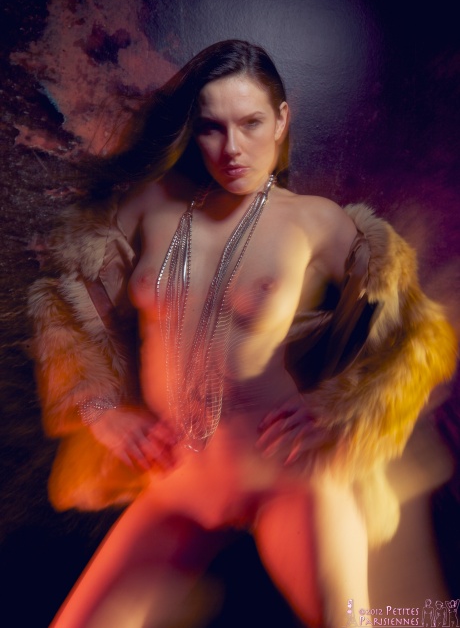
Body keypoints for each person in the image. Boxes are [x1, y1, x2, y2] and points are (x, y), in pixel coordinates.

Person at [28, 40, 457, 628]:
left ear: (281, 121)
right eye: (212, 127)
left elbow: (418, 333)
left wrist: (345, 407)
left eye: (251, 123)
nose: (232, 149)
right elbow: (64, 304)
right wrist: (102, 411)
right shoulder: (151, 206)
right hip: (178, 485)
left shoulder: (314, 219)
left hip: (287, 480)